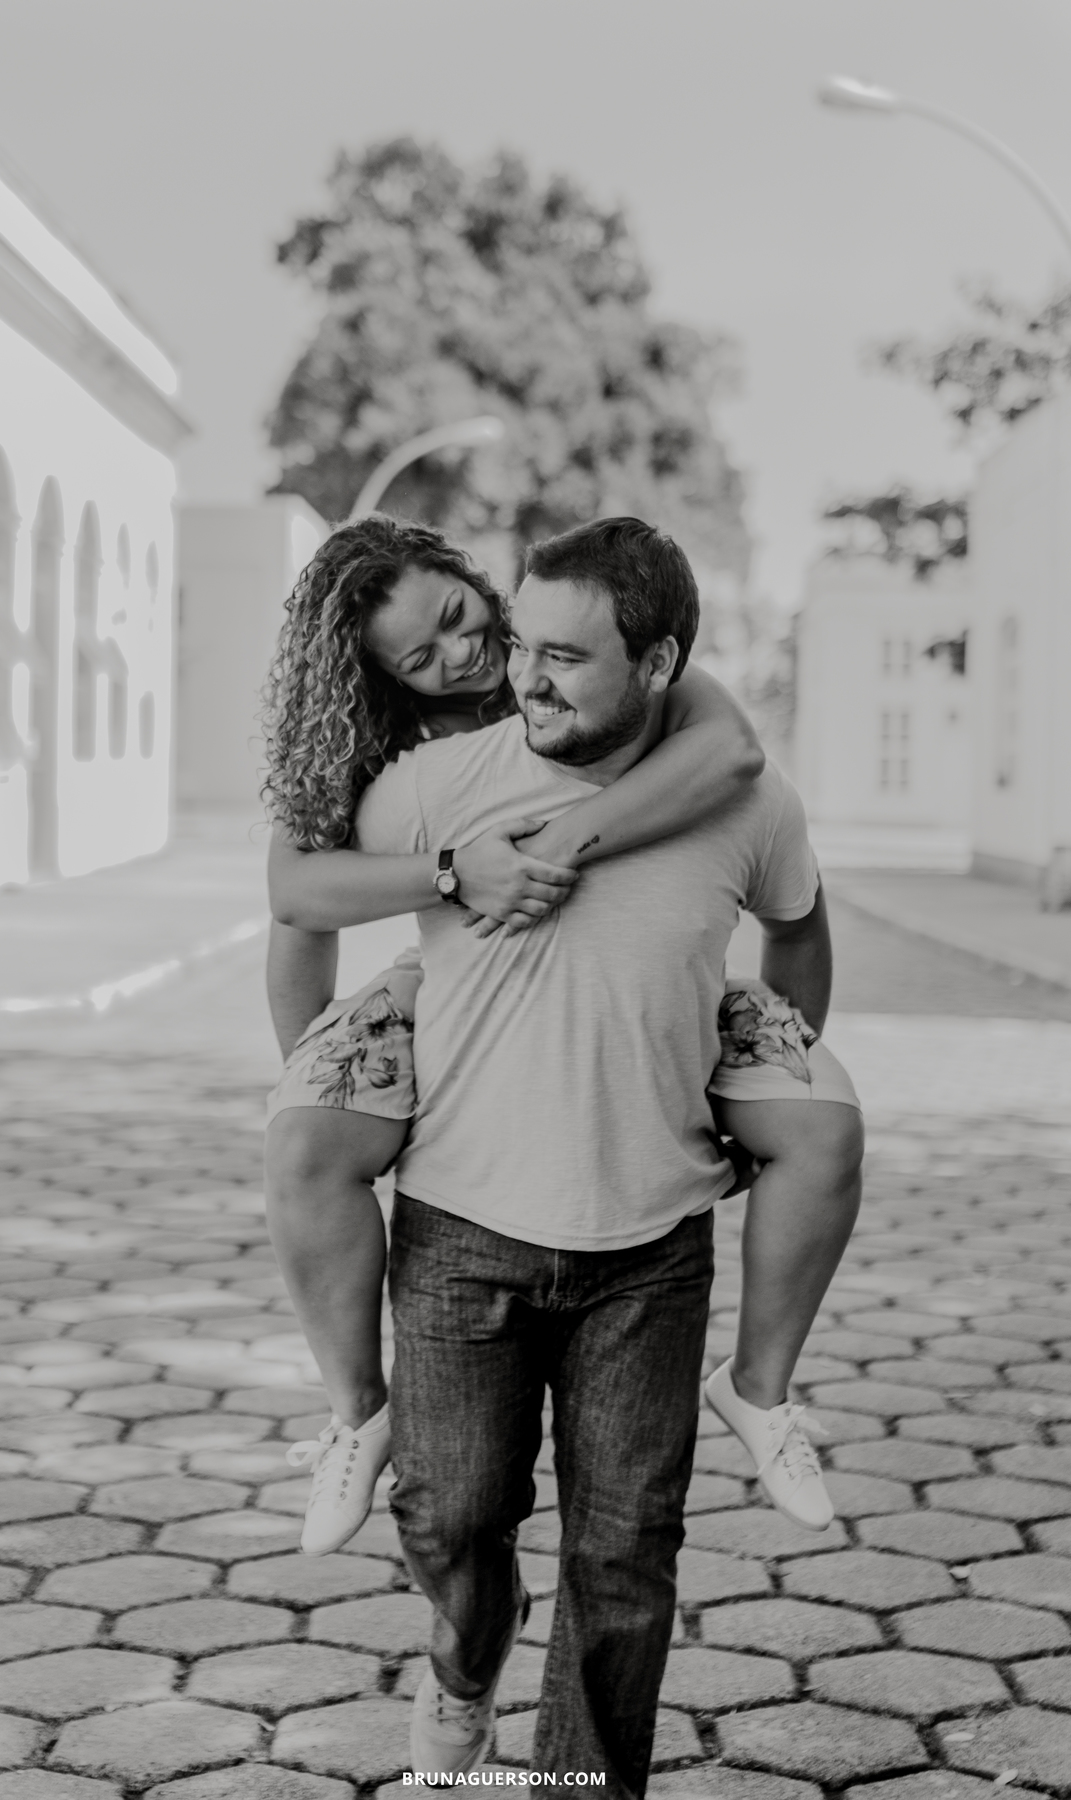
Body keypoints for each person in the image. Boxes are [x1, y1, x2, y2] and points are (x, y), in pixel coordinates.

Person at [334, 515, 852, 1790]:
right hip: (460, 1234)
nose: (526, 676)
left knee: (627, 1561)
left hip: (652, 1250)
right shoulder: (431, 793)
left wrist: (763, 1069)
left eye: (568, 656)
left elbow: (800, 928)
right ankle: (463, 1678)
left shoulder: (747, 801)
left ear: (660, 659)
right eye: (524, 645)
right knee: (450, 1522)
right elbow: (295, 895)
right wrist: (317, 1069)